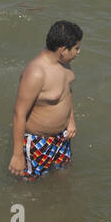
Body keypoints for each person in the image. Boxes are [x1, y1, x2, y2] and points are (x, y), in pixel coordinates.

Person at [9, 21, 83, 178]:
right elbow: (19, 114)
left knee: (62, 175)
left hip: (62, 137)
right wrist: (17, 155)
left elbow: (67, 91)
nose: (78, 52)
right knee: (30, 185)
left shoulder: (63, 62)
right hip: (38, 142)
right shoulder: (36, 73)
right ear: (62, 50)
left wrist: (71, 120)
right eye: (76, 48)